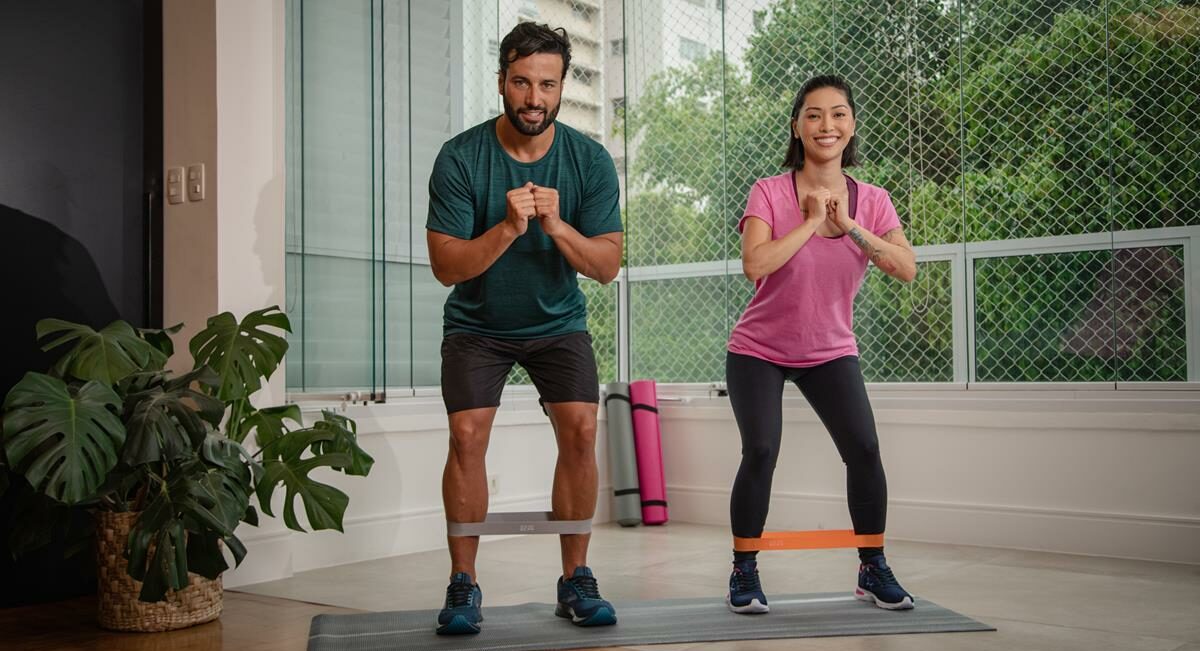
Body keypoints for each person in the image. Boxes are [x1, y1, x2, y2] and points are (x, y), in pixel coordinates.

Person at [425, 22, 623, 635]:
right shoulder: (461, 157)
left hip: (557, 323)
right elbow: (444, 267)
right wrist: (508, 228)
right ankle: (464, 584)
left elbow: (607, 267)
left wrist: (557, 227)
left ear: (562, 88)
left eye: (547, 84)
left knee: (583, 431)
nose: (533, 97)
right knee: (466, 436)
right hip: (477, 325)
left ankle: (576, 578)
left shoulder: (588, 161)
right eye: (521, 82)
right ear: (502, 81)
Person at [724, 75, 918, 615]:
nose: (826, 125)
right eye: (813, 115)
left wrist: (850, 225)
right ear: (797, 127)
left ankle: (872, 566)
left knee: (865, 450)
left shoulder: (874, 201)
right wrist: (812, 222)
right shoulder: (768, 191)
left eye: (837, 114)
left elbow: (905, 268)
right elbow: (755, 264)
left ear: (851, 125)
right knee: (761, 449)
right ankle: (744, 569)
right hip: (757, 349)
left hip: (830, 350)